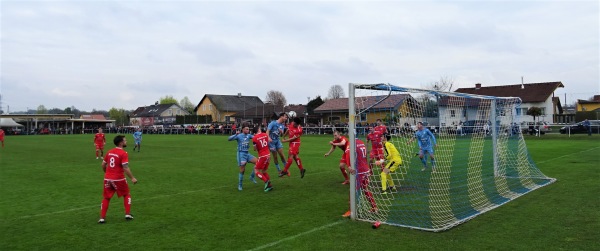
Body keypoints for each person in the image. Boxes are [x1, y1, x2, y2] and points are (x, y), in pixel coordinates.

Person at [98, 135, 138, 224]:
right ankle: (127, 214)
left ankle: (102, 218)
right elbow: (125, 167)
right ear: (121, 143)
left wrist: (107, 173)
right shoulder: (123, 153)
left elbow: (103, 165)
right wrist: (132, 178)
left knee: (106, 198)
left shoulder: (109, 152)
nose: (126, 141)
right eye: (125, 140)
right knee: (126, 194)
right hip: (119, 179)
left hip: (107, 178)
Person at [342, 138, 377, 217]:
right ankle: (374, 207)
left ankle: (351, 211)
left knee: (352, 190)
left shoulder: (351, 144)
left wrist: (349, 166)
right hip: (365, 169)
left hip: (359, 171)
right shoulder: (361, 142)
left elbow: (348, 155)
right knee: (365, 189)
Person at [228, 124, 257, 191]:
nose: (248, 130)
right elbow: (229, 139)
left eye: (248, 129)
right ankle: (240, 185)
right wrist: (235, 134)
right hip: (241, 154)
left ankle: (252, 177)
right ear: (243, 129)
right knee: (242, 170)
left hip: (247, 154)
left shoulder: (249, 135)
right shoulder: (239, 136)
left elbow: (255, 137)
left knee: (258, 162)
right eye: (246, 129)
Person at [252, 125, 274, 192]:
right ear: (258, 130)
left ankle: (266, 182)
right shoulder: (265, 134)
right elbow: (268, 142)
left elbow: (254, 149)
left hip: (262, 156)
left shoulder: (255, 138)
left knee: (256, 170)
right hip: (268, 155)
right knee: (264, 171)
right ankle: (269, 185)